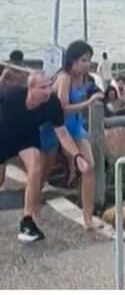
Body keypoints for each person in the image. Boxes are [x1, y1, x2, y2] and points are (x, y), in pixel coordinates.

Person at [0, 72, 90, 242]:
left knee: (36, 168)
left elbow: (62, 134)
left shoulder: (52, 104)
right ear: (31, 88)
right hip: (3, 137)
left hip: (27, 138)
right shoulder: (11, 95)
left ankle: (27, 221)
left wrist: (77, 155)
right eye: (43, 88)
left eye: (50, 86)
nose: (48, 91)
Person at [39, 41, 103, 230]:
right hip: (55, 125)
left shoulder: (84, 79)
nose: (87, 64)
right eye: (83, 60)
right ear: (73, 61)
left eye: (89, 60)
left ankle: (88, 218)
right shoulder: (65, 78)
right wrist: (88, 103)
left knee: (89, 167)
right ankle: (33, 205)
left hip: (74, 126)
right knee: (43, 170)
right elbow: (63, 108)